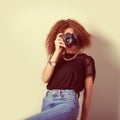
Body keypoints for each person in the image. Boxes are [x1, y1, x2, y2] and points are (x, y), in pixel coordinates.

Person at [26, 19, 96, 120]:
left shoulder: (86, 60)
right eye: (66, 36)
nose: (70, 38)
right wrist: (56, 52)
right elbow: (45, 79)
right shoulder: (56, 58)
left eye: (73, 35)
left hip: (67, 102)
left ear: (79, 36)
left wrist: (83, 119)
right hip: (48, 101)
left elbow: (88, 94)